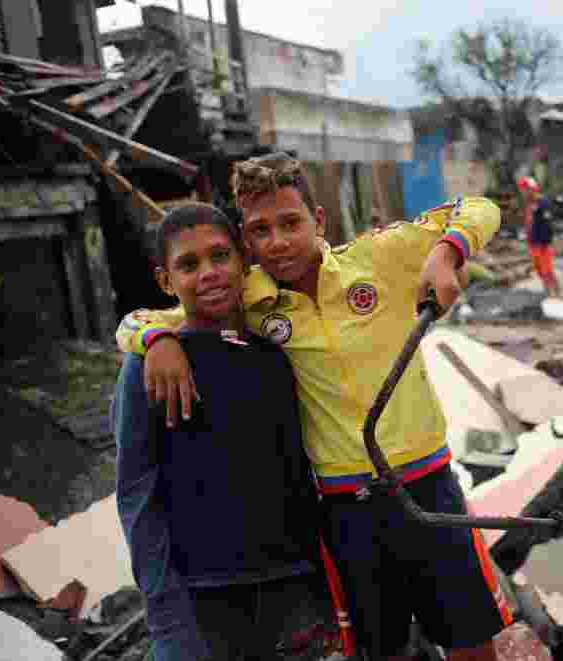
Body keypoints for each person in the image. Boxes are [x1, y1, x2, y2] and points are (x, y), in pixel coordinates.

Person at [115, 153, 513, 661]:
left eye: (290, 222)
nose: (278, 241)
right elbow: (147, 317)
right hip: (347, 510)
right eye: (260, 230)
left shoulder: (380, 256)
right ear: (247, 242)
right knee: (382, 647)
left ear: (318, 221)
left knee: (470, 639)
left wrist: (446, 252)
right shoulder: (252, 297)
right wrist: (154, 339)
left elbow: (479, 207)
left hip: (427, 485)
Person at [112, 204, 336, 661]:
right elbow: (137, 492)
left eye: (220, 256)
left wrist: (322, 590)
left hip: (292, 593)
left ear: (244, 262)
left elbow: (301, 473)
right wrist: (164, 602)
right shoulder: (150, 367)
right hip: (199, 600)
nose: (209, 274)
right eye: (188, 265)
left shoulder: (277, 356)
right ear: (165, 281)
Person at [519, 176, 562, 297]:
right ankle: (548, 293)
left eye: (525, 189)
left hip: (542, 244)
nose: (523, 192)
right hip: (533, 243)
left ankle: (558, 294)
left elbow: (548, 224)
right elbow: (530, 223)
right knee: (540, 271)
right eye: (522, 189)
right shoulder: (529, 204)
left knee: (547, 270)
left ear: (532, 189)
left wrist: (545, 242)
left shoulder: (542, 203)